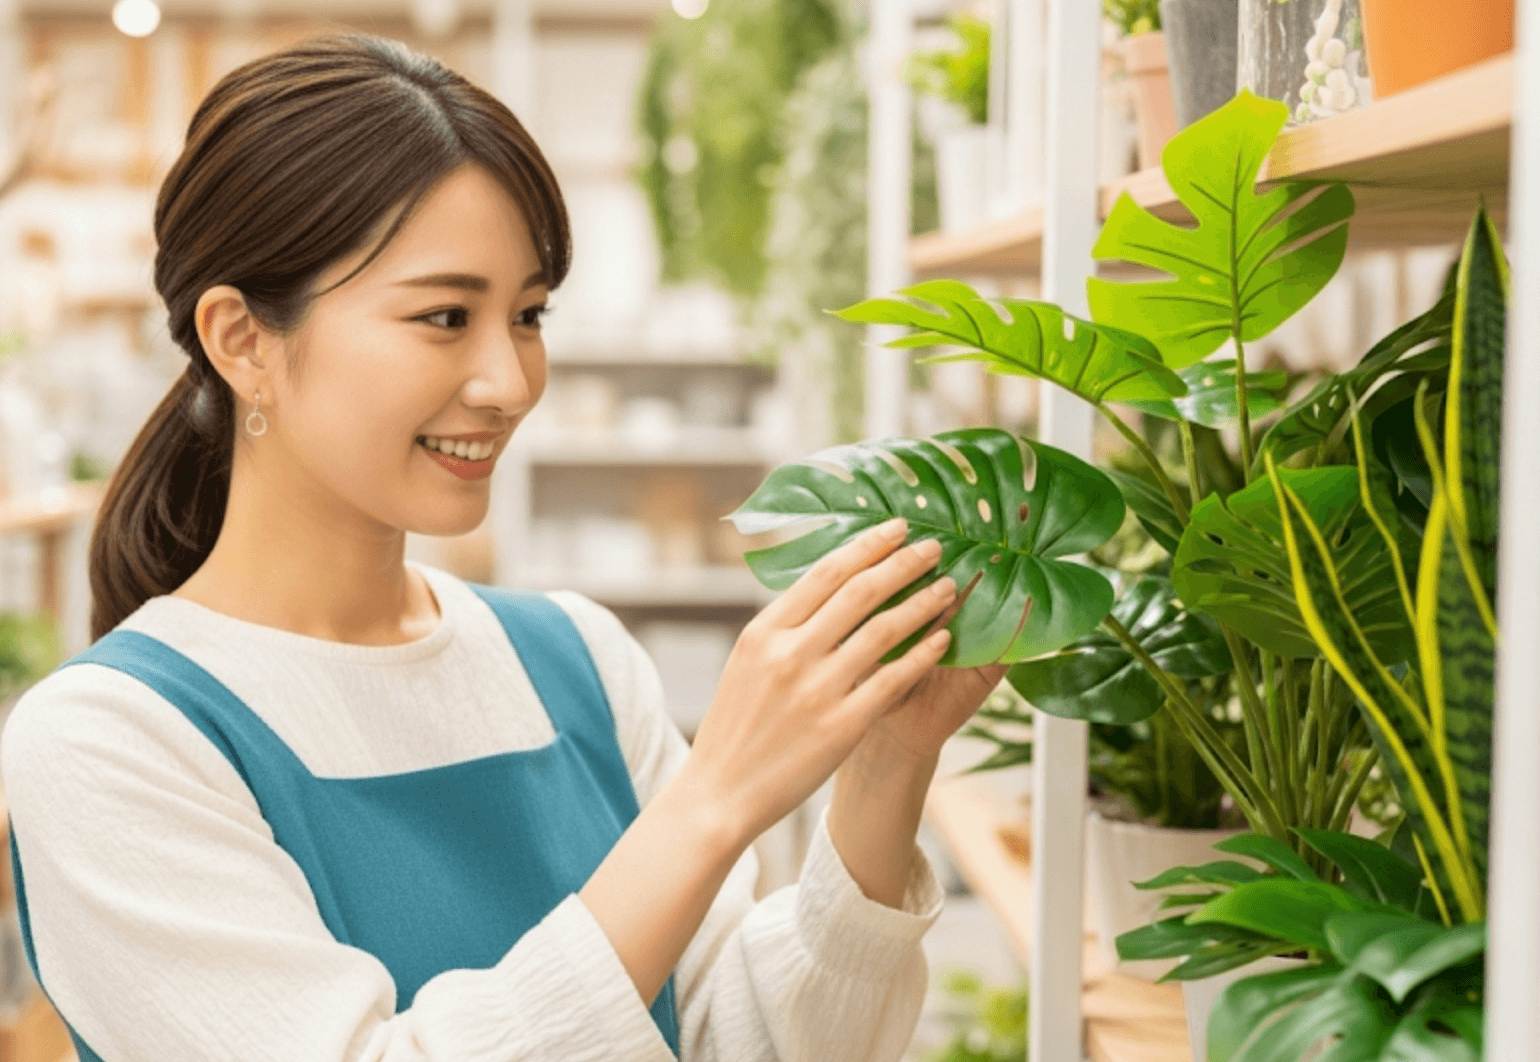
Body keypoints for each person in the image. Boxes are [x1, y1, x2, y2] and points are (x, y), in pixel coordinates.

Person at [0, 35, 1008, 1062]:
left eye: (527, 315)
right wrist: (710, 804)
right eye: (445, 316)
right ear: (241, 338)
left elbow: (733, 1043)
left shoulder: (575, 659)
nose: (512, 380)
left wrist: (887, 764)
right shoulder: (109, 739)